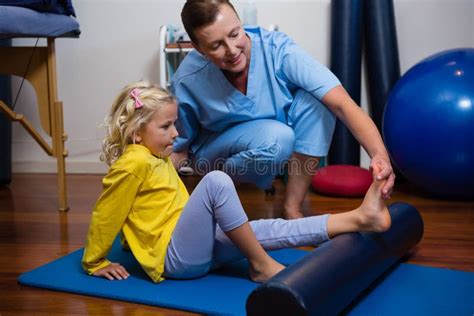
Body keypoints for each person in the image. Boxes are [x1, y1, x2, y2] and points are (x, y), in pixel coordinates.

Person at [82, 81, 391, 283]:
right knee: (216, 181)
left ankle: (360, 218)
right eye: (166, 126)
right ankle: (260, 264)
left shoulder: (153, 156)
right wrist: (95, 262)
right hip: (174, 259)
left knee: (266, 229)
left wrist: (132, 240)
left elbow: (143, 209)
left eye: (175, 123)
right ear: (136, 132)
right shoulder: (134, 161)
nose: (176, 133)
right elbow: (109, 212)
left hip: (193, 246)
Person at [170, 0, 396, 219]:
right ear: (199, 48)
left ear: (240, 22)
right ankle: (213, 194)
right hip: (214, 155)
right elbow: (177, 148)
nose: (232, 50)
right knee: (278, 138)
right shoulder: (188, 79)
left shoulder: (278, 50)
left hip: (268, 145)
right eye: (216, 45)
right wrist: (170, 208)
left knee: (318, 102)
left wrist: (380, 155)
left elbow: (343, 104)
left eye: (234, 33)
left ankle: (292, 208)